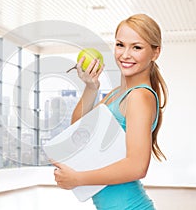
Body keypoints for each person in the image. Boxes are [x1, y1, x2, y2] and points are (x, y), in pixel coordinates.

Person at [52, 14, 168, 209]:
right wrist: (91, 87)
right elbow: (78, 127)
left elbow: (137, 166)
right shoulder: (117, 94)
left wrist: (78, 179)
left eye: (137, 47)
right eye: (120, 44)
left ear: (155, 53)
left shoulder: (140, 96)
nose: (125, 54)